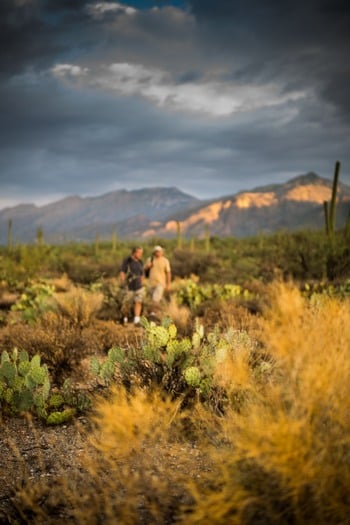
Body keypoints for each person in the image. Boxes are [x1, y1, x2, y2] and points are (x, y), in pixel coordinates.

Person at [119, 246, 144, 326]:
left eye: (141, 253)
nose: (140, 254)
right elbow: (122, 272)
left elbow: (142, 274)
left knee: (138, 301)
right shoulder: (127, 261)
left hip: (138, 286)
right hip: (129, 286)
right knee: (127, 303)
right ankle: (125, 318)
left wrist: (142, 282)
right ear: (134, 252)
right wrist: (123, 282)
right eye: (139, 253)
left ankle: (136, 319)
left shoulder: (140, 262)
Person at [144, 245, 171, 316]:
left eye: (159, 251)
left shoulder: (165, 261)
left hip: (160, 283)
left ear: (162, 252)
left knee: (155, 298)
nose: (158, 253)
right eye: (157, 251)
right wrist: (148, 266)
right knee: (153, 299)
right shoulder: (150, 260)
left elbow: (168, 273)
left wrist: (168, 284)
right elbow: (144, 270)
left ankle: (153, 313)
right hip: (151, 283)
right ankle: (158, 312)